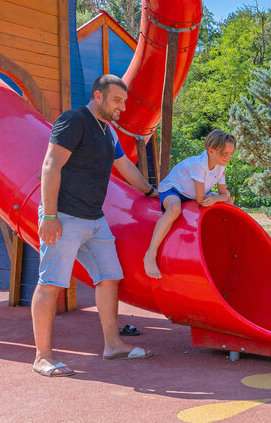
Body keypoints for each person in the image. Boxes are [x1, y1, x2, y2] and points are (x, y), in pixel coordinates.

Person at [32, 74, 158, 376]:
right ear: (98, 97)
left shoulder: (107, 131)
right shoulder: (74, 121)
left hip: (94, 219)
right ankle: (42, 357)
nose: (122, 107)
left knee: (110, 276)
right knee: (51, 284)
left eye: (123, 102)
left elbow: (125, 167)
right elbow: (51, 165)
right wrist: (49, 215)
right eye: (117, 100)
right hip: (63, 217)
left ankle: (113, 345)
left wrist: (153, 192)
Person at [143, 129, 237, 279]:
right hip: (174, 190)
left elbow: (226, 197)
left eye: (231, 153)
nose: (228, 157)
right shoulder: (199, 165)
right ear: (211, 150)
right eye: (225, 154)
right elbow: (201, 199)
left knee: (226, 204)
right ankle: (151, 253)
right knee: (174, 209)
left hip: (191, 194)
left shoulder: (221, 166)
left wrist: (218, 197)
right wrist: (218, 197)